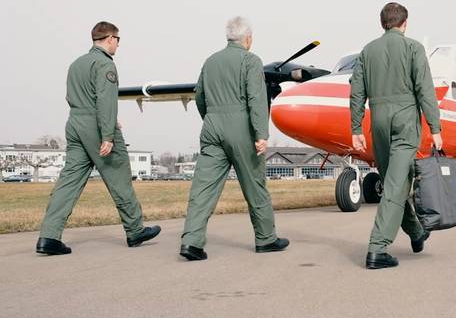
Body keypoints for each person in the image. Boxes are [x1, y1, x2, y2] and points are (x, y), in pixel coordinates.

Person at [36, 21, 161, 255]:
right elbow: (105, 99)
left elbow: (78, 97)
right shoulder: (104, 64)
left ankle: (48, 236)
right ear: (110, 39)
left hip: (74, 124)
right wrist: (107, 134)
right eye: (118, 40)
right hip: (96, 126)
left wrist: (106, 120)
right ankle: (135, 230)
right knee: (119, 175)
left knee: (69, 181)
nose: (118, 45)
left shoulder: (76, 64)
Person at [179, 16, 289, 261]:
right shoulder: (251, 61)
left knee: (203, 189)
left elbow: (199, 97)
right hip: (241, 128)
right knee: (255, 187)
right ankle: (266, 239)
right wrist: (261, 134)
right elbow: (256, 100)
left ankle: (191, 242)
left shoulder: (210, 61)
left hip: (212, 125)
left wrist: (211, 119)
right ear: (247, 39)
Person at [350, 2, 443, 269]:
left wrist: (356, 127)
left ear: (383, 23)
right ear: (404, 23)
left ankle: (416, 233)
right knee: (395, 184)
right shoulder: (414, 48)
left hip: (377, 122)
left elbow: (356, 93)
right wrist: (435, 128)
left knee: (396, 181)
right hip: (404, 122)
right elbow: (425, 90)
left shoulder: (367, 51)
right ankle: (377, 249)